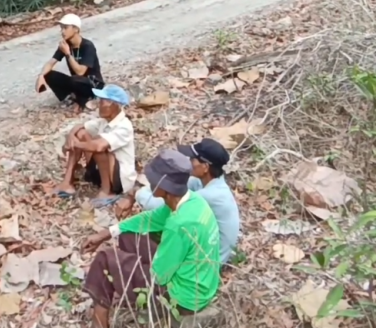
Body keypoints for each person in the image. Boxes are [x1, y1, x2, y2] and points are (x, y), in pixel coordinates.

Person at [82, 150, 221, 328]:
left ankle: (99, 322)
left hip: (182, 298)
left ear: (165, 186)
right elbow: (150, 219)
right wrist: (108, 232)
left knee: (105, 259)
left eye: (153, 180)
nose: (149, 183)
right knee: (128, 235)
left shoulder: (179, 224)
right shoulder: (193, 201)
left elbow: (160, 275)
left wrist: (128, 263)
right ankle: (123, 285)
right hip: (201, 283)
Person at [134, 138, 241, 264]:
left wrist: (137, 192)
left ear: (205, 167)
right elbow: (167, 185)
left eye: (192, 159)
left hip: (208, 262)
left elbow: (155, 205)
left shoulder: (212, 196)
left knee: (135, 237)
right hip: (208, 247)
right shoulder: (205, 182)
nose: (188, 162)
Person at [56, 84, 136, 208]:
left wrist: (76, 145)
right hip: (100, 171)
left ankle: (107, 191)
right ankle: (67, 183)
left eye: (103, 102)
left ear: (114, 105)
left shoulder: (124, 126)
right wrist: (71, 136)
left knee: (99, 147)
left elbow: (99, 146)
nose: (99, 105)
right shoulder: (104, 121)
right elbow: (80, 126)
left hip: (119, 180)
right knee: (81, 134)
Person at [36, 13, 103, 112]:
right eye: (61, 28)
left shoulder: (87, 46)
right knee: (49, 74)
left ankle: (84, 101)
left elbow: (80, 72)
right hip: (77, 82)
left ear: (76, 29)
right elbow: (51, 63)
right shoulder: (66, 45)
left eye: (65, 28)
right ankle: (69, 98)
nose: (62, 31)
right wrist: (41, 75)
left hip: (94, 84)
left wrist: (67, 53)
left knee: (75, 78)